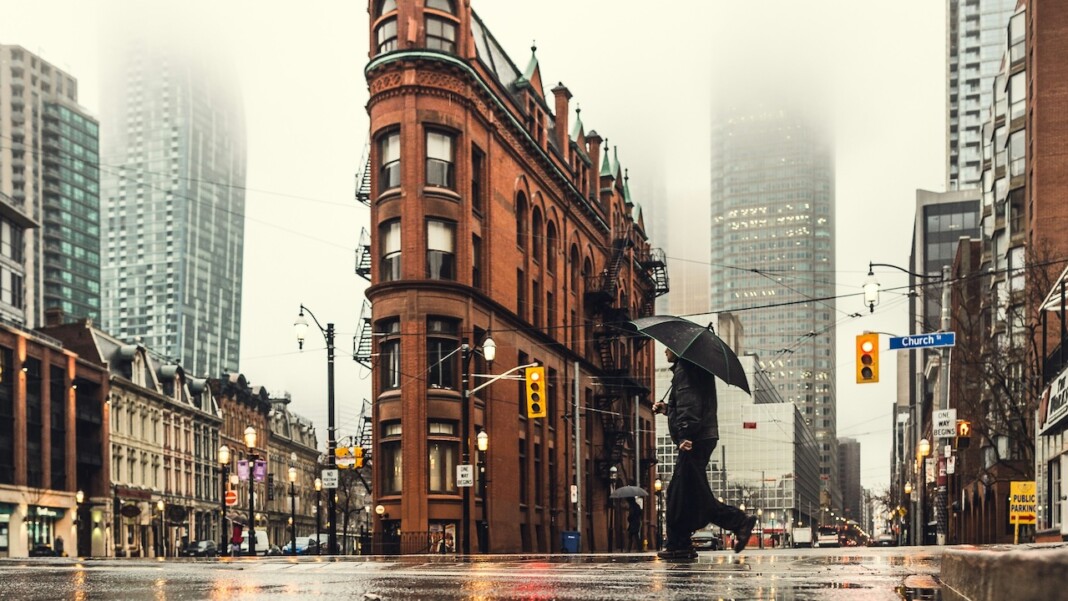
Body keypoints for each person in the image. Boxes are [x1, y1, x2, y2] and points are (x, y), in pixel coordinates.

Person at [653, 347, 756, 559]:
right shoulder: (692, 368)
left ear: (678, 349)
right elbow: (689, 403)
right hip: (700, 436)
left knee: (687, 494)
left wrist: (685, 435)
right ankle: (679, 543)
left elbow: (690, 404)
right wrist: (667, 409)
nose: (665, 351)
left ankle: (736, 522)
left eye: (668, 348)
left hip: (694, 439)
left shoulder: (686, 369)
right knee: (684, 493)